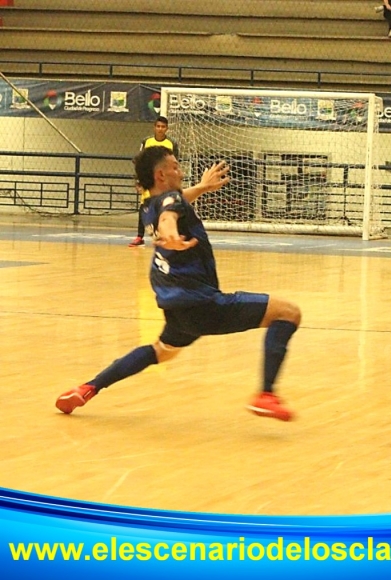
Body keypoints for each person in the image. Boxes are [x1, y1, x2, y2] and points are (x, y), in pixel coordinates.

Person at [56, 146, 301, 422]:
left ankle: (88, 388)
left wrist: (202, 188)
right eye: (175, 166)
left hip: (176, 308)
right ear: (161, 174)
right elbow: (169, 216)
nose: (180, 170)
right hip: (202, 304)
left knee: (161, 351)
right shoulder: (168, 205)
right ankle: (265, 395)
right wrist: (171, 235)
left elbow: (172, 205)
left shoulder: (149, 204)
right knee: (288, 313)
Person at [129, 116, 179, 247]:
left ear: (167, 128)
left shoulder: (172, 143)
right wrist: (139, 180)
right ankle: (139, 237)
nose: (160, 129)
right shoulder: (147, 141)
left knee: (166, 206)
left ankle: (164, 235)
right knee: (144, 206)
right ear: (154, 127)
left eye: (163, 127)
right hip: (149, 178)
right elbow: (140, 161)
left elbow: (175, 163)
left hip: (164, 180)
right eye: (158, 126)